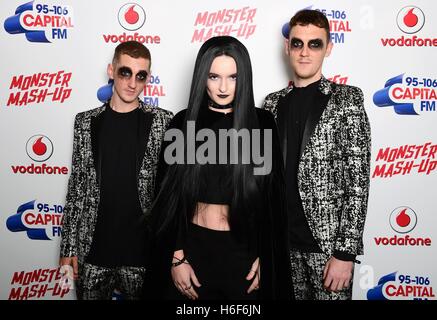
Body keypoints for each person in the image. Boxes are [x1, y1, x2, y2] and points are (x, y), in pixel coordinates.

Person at [146, 36, 291, 300]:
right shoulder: (182, 123)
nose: (223, 87)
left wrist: (267, 257)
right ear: (202, 77)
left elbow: (272, 199)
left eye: (233, 77)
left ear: (243, 77)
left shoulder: (262, 123)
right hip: (193, 251)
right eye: (214, 77)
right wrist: (177, 257)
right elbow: (167, 199)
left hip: (244, 253)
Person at [262, 9, 371, 300]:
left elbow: (358, 183)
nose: (305, 53)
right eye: (297, 43)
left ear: (328, 48)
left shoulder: (347, 99)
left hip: (327, 251)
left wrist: (345, 253)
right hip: (280, 248)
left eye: (315, 44)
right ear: (287, 47)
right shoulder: (271, 104)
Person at [59, 41, 173, 300]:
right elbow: (77, 186)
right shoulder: (85, 122)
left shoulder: (163, 121)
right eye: (125, 72)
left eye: (140, 75)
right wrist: (68, 247)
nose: (133, 83)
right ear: (111, 70)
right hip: (94, 254)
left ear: (148, 78)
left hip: (143, 256)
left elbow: (173, 189)